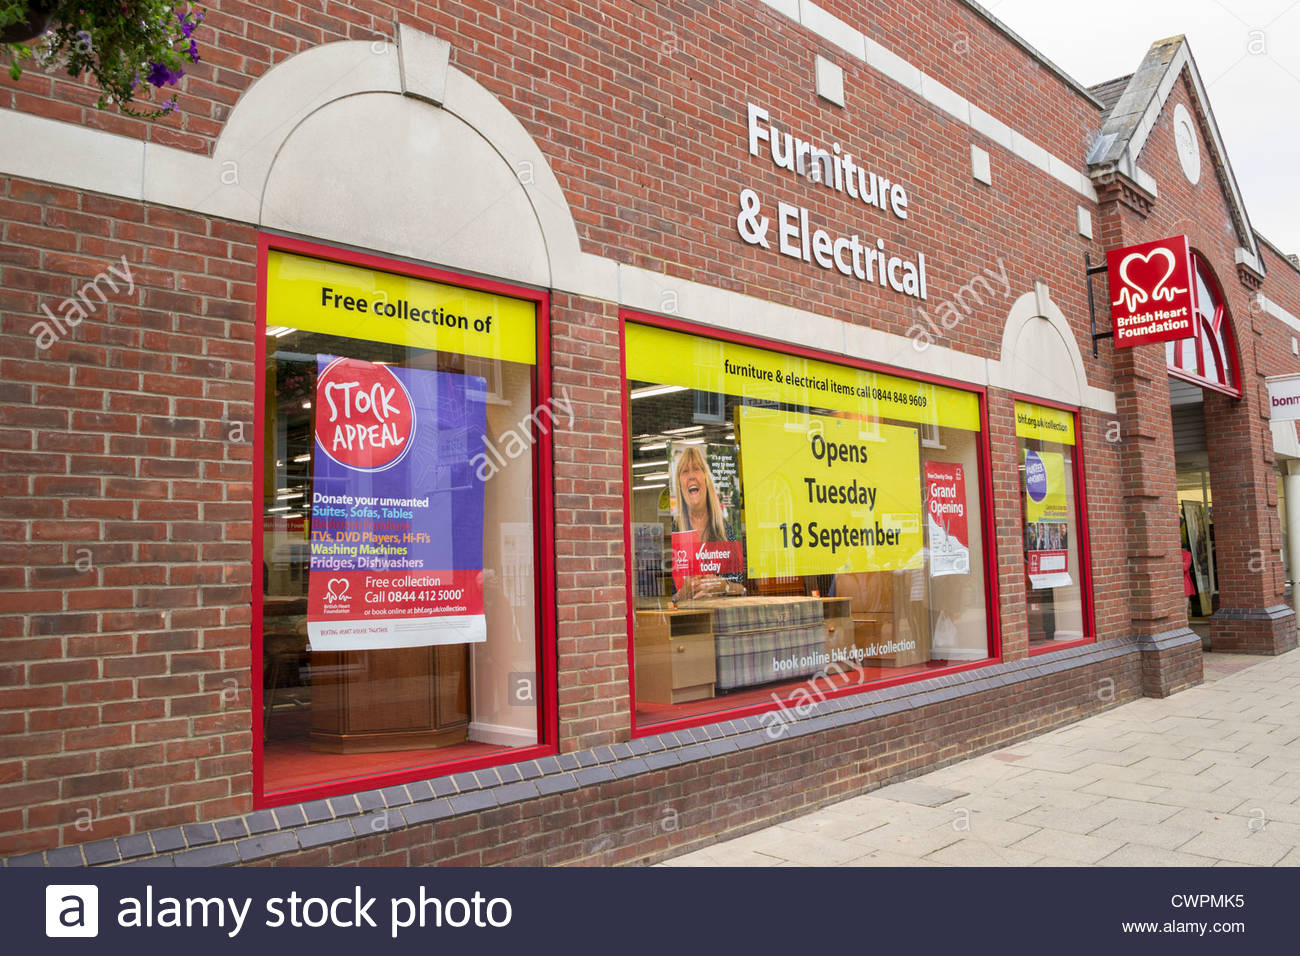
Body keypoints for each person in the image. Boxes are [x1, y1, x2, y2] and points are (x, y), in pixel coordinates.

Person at [671, 444, 746, 601]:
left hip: (722, 617)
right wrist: (683, 593)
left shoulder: (725, 529)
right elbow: (670, 600)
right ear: (679, 484)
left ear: (706, 479)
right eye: (685, 471)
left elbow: (742, 589)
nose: (691, 476)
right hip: (689, 619)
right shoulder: (677, 531)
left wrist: (723, 586)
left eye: (696, 469)